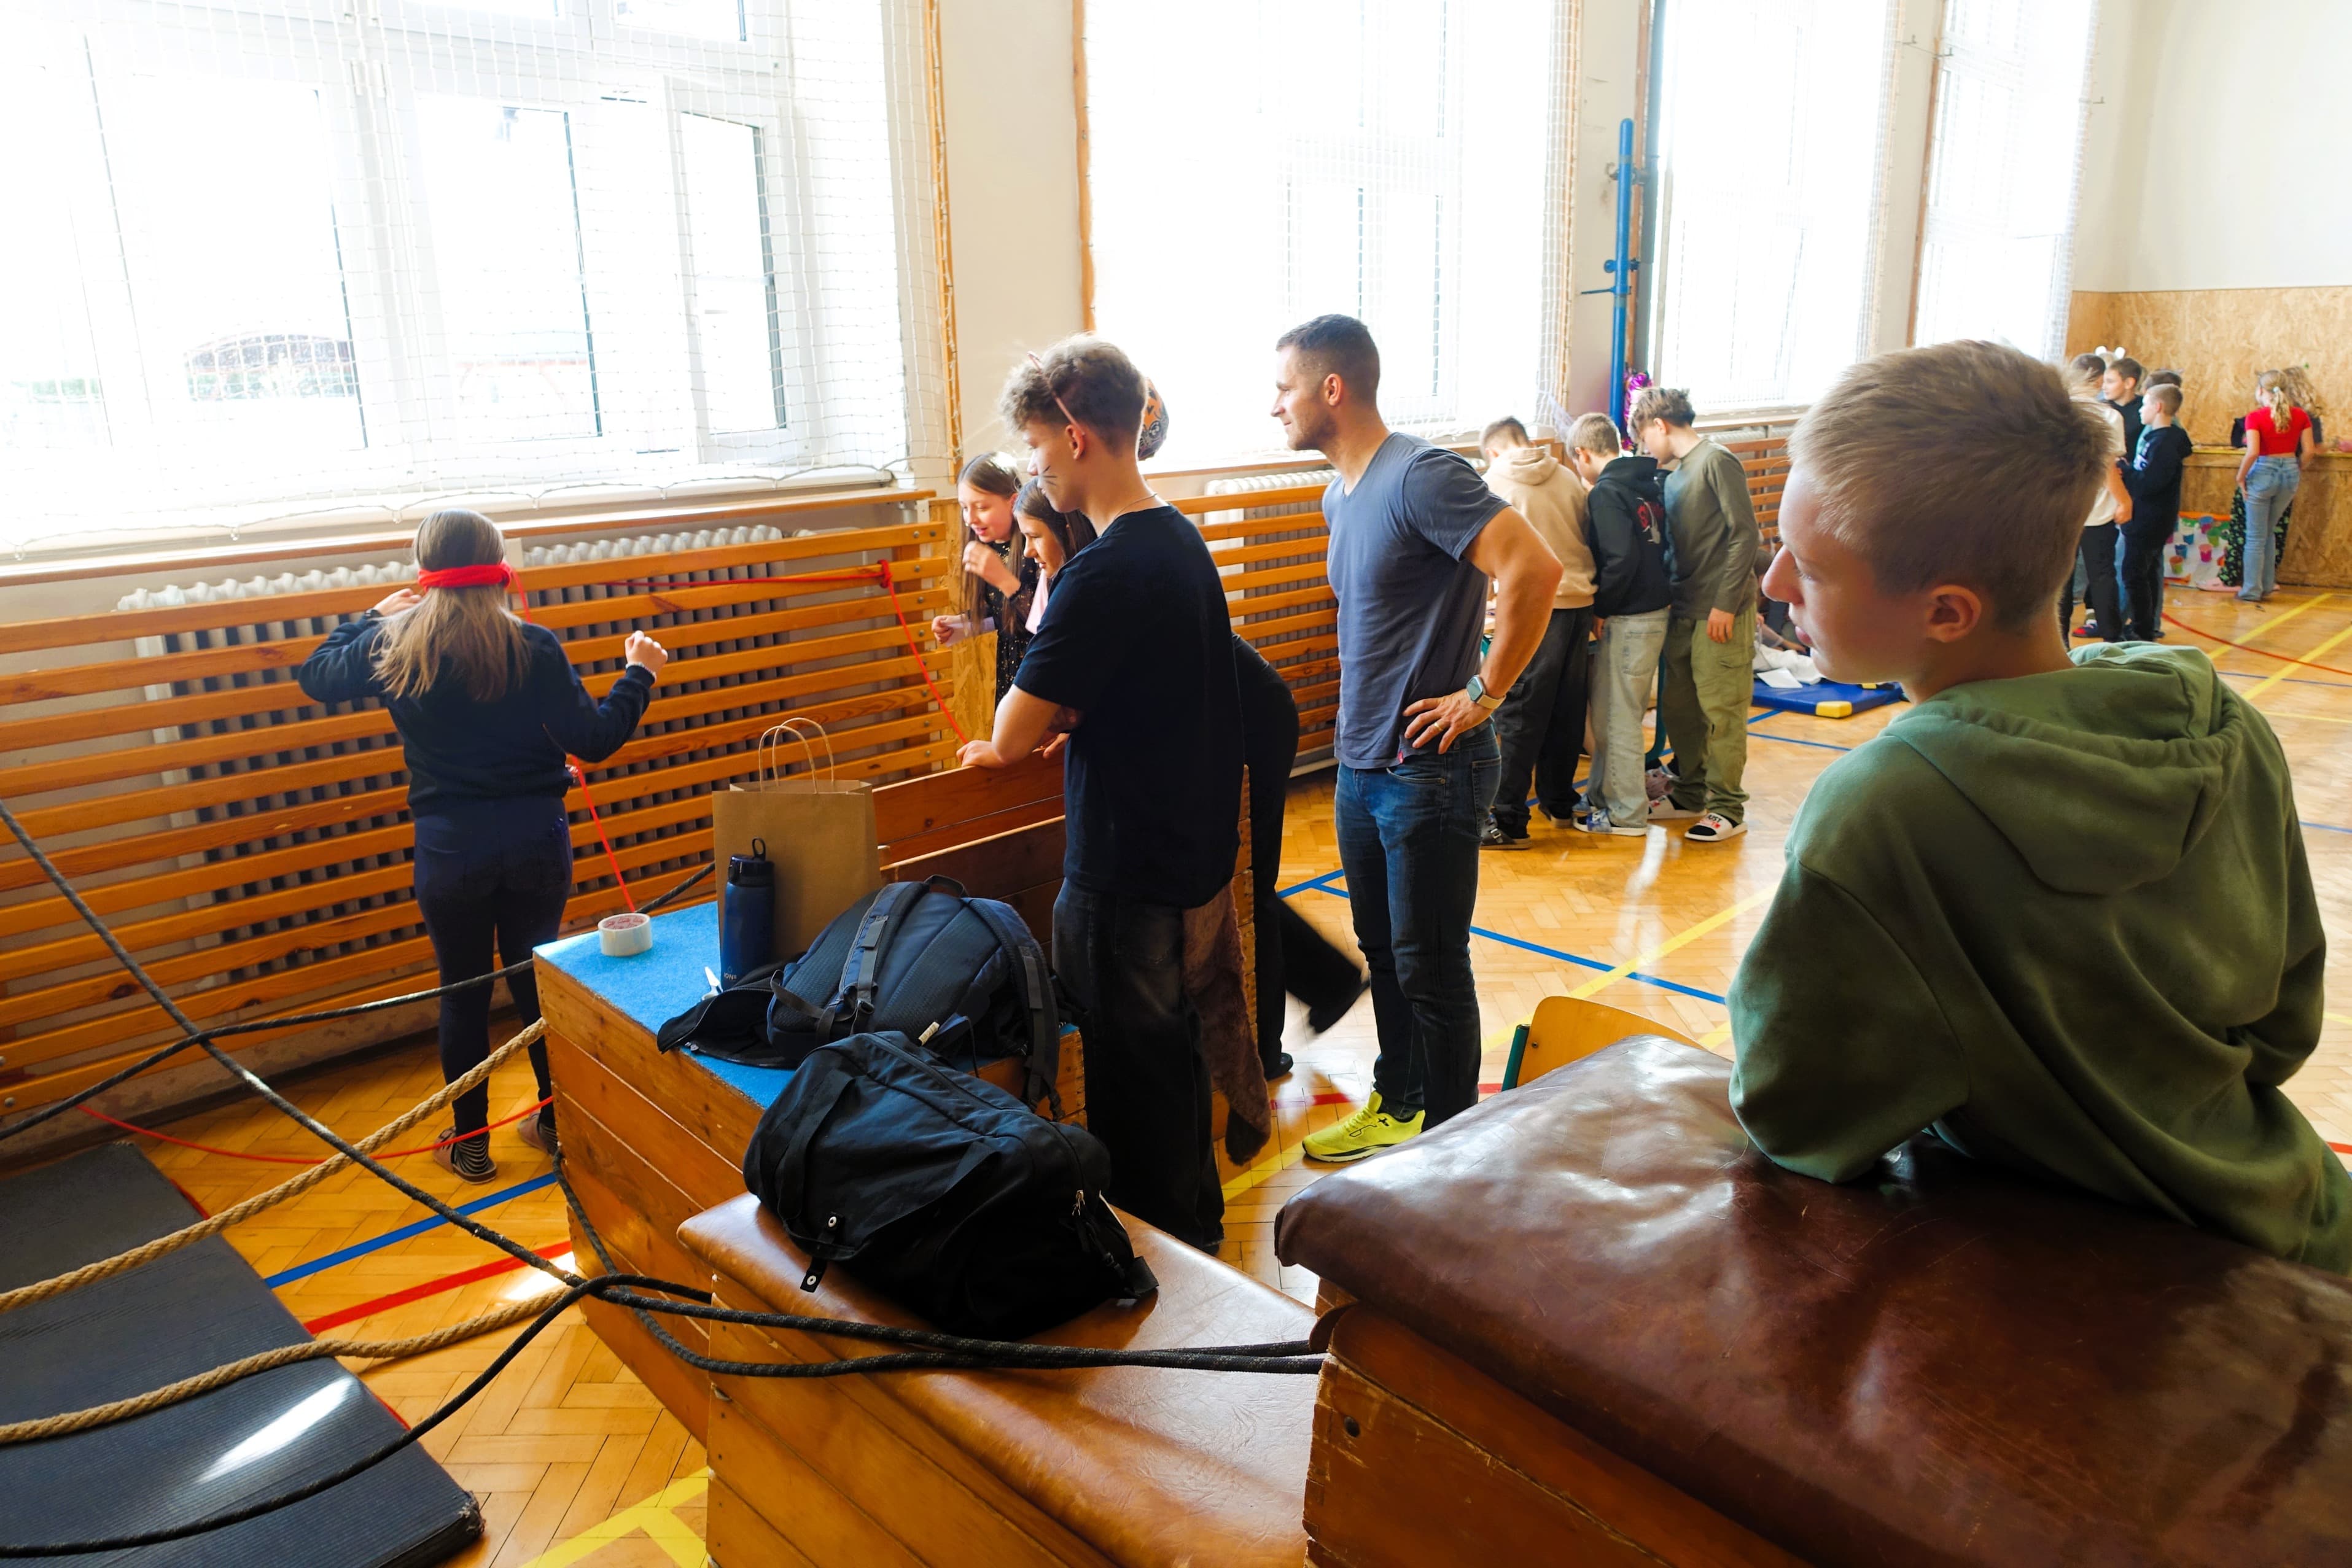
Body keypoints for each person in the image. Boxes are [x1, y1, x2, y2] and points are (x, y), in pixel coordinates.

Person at [1729, 338, 2350, 1273]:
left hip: (2145, 1285)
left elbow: (1798, 1115)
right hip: (2298, 1217)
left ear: (1946, 612)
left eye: (1811, 568)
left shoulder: (1888, 804)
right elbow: (2280, 1029)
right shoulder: (2223, 722)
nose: (1775, 582)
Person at [957, 335, 1241, 1252]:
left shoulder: (1101, 568)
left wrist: (1026, 721)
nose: (1035, 464)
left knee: (1132, 1082)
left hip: (1126, 871)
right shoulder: (1178, 538)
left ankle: (1163, 1260)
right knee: (1173, 1053)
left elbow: (1010, 732)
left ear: (1076, 436)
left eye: (1038, 444)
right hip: (1187, 854)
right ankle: (1198, 1226)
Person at [1266, 314, 1562, 1162]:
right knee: (1388, 957)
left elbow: (1534, 568)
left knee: (1431, 968)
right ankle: (1400, 1104)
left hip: (1430, 770)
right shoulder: (1338, 493)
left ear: (1331, 388)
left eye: (1283, 388)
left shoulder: (1421, 475)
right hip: (1362, 765)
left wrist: (1482, 692)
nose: (1274, 405)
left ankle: (1449, 1151)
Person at [296, 510, 668, 1182]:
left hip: (451, 850)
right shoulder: (532, 644)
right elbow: (594, 740)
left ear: (424, 570)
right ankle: (553, 1122)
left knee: (462, 994)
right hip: (535, 841)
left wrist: (371, 615)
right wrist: (637, 673)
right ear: (499, 566)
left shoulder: (393, 643)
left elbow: (316, 675)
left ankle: (470, 1144)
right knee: (536, 982)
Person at [1630, 386, 1759, 843]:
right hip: (1683, 609)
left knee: (1722, 712)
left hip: (1720, 612)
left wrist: (1725, 603)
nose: (1646, 449)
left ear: (1659, 425)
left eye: (1645, 438)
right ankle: (1689, 794)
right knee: (1681, 710)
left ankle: (1728, 808)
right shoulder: (1675, 473)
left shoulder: (1716, 461)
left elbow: (1745, 535)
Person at [1476, 416, 1597, 849]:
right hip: (1579, 604)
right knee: (1566, 709)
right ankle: (1559, 803)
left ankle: (1508, 820)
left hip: (1533, 608)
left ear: (1493, 451)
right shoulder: (1566, 477)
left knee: (1520, 714)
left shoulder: (1491, 483)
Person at [1562, 413, 1673, 837]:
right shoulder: (1644, 482)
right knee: (1610, 713)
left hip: (1630, 615)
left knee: (1620, 718)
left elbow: (1620, 558)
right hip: (1650, 610)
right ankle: (1603, 798)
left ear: (1583, 454)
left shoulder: (1607, 492)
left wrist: (1602, 607)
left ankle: (1627, 814)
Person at [931, 453, 1039, 702]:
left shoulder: (1034, 547)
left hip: (1038, 669)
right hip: (1010, 670)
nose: (970, 518)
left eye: (982, 507)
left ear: (1013, 502)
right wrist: (961, 625)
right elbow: (1002, 615)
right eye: (964, 508)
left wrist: (1003, 578)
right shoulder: (989, 545)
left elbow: (1044, 622)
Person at [2055, 352, 2132, 641]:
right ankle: (2112, 639)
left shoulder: (2055, 412)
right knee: (2102, 575)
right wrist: (2124, 500)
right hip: (2095, 509)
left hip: (2059, 509)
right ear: (2099, 380)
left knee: (2062, 578)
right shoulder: (2108, 416)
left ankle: (2060, 642)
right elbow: (2107, 466)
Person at [2233, 370, 2317, 604]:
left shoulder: (2255, 417)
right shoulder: (2300, 415)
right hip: (2290, 471)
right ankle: (2267, 584)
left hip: (2263, 471)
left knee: (2255, 536)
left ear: (2261, 391)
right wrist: (2297, 467)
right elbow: (2309, 451)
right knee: (2268, 531)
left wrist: (2240, 477)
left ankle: (2251, 589)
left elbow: (2253, 452)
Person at [2120, 383, 2193, 641]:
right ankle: (2144, 625)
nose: (2141, 410)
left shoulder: (2165, 444)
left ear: (2158, 407)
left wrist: (2124, 471)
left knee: (2134, 574)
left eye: (2145, 405)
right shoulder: (2157, 439)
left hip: (2150, 517)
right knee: (2145, 573)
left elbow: (2149, 483)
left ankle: (2142, 629)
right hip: (2150, 515)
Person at [2102, 354, 2146, 461]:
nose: (2104, 387)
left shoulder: (2145, 408)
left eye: (2110, 382)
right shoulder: (2101, 408)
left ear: (2128, 383)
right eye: (2104, 382)